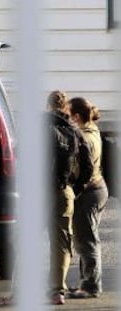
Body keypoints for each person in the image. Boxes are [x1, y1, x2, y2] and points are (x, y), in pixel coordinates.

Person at [46, 90, 93, 305]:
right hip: (63, 192)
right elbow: (88, 167)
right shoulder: (75, 132)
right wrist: (75, 188)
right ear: (66, 109)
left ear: (48, 107)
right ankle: (57, 291)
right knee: (62, 243)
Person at [67, 97, 108, 298]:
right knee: (85, 238)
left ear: (76, 116)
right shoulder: (92, 129)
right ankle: (86, 282)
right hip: (97, 189)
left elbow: (82, 169)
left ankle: (91, 286)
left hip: (89, 192)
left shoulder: (86, 138)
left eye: (67, 114)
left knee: (87, 240)